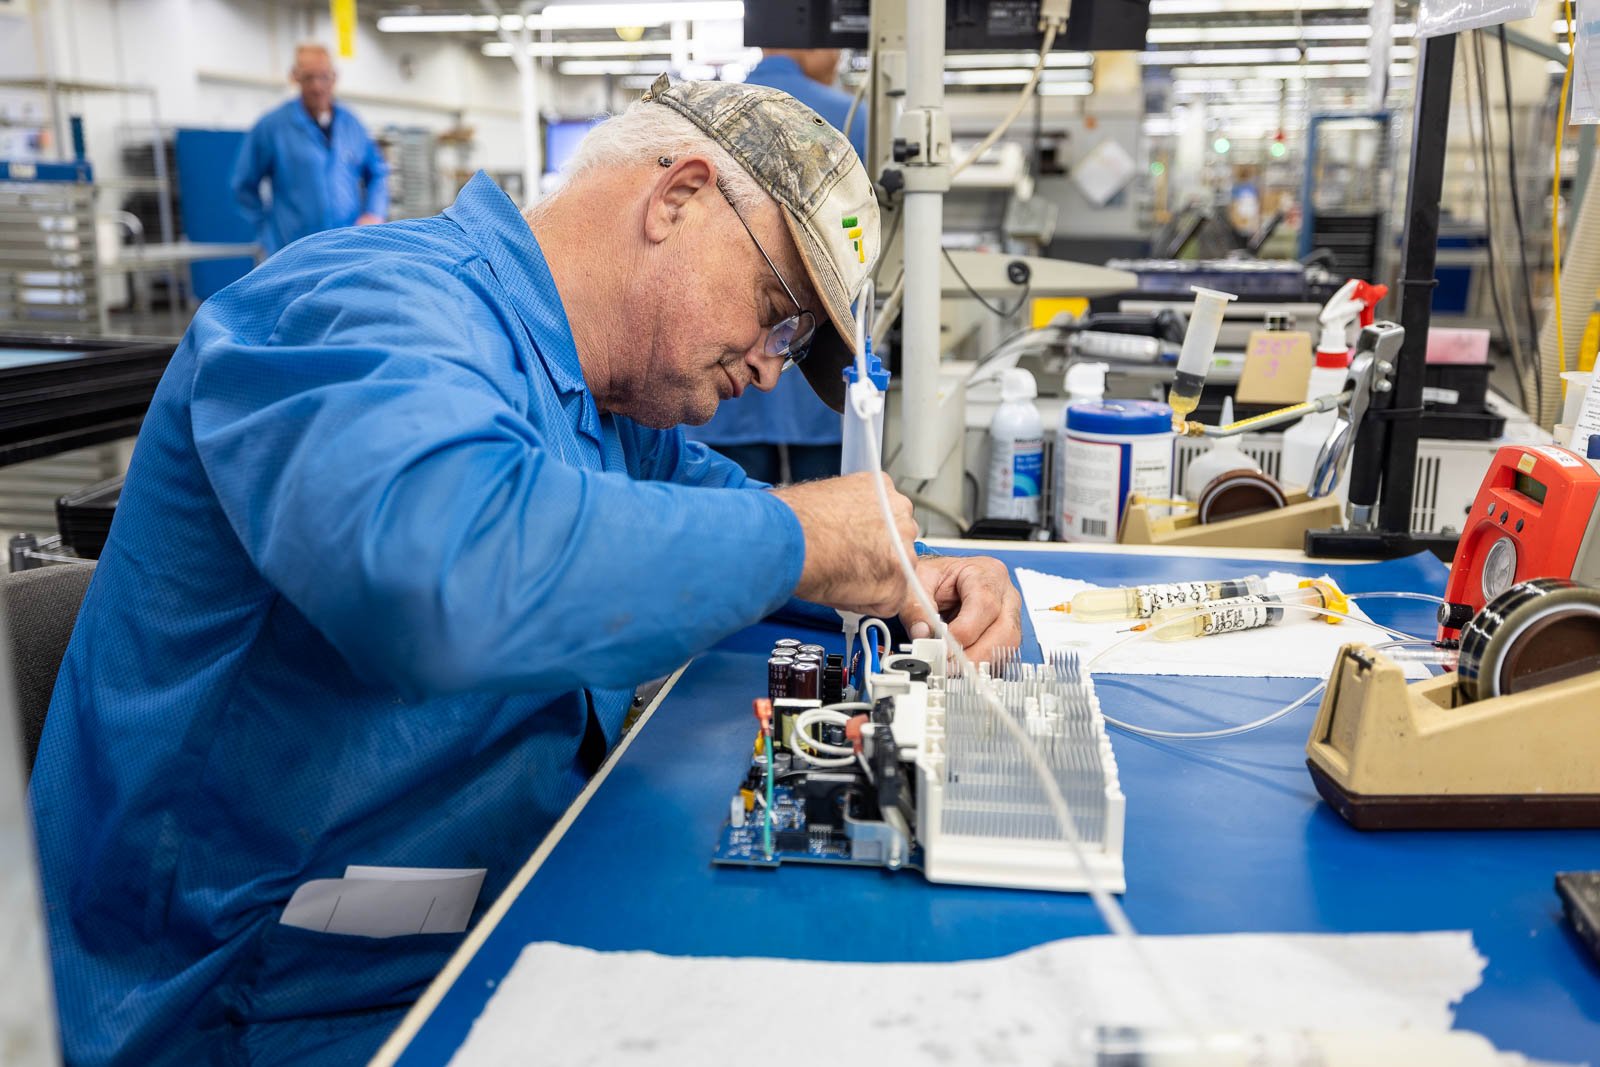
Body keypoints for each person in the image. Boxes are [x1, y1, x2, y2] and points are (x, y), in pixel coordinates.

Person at [31, 77, 1021, 1066]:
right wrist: (810, 534)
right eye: (774, 313)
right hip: (251, 1001)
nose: (767, 369)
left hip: (464, 925)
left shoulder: (606, 402)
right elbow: (443, 577)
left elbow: (725, 518)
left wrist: (908, 571)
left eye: (793, 344)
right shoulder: (358, 306)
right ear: (674, 197)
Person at [684, 49, 866, 484]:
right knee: (826, 526)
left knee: (728, 513)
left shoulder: (698, 112)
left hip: (721, 376)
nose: (840, 56)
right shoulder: (851, 118)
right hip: (815, 365)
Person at [232, 43, 390, 255]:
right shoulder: (273, 127)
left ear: (334, 77)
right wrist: (266, 235)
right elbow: (244, 186)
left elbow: (378, 173)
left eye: (324, 77)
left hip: (349, 248)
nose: (317, 87)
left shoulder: (352, 125)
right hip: (295, 252)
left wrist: (373, 213)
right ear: (294, 77)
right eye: (308, 78)